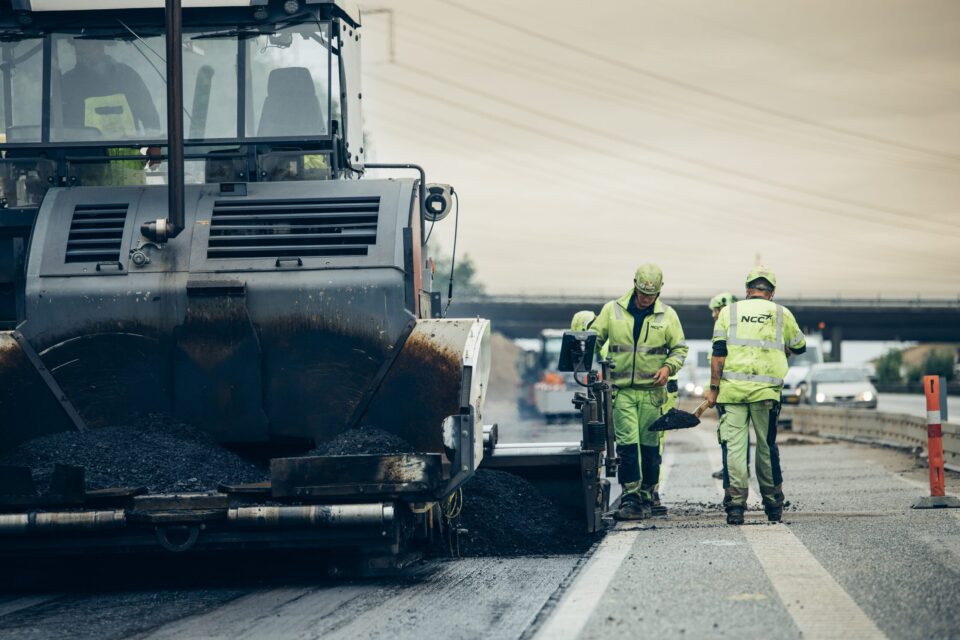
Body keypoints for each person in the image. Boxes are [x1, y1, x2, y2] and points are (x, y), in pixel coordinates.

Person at [704, 266, 806, 525]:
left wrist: (713, 389)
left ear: (747, 290)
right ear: (771, 293)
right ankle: (772, 505)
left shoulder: (728, 313)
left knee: (734, 449)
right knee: (765, 446)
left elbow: (718, 354)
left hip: (732, 393)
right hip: (766, 394)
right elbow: (800, 346)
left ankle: (736, 507)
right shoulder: (782, 313)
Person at [592, 264, 688, 520]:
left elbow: (679, 349)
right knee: (627, 446)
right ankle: (631, 498)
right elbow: (594, 340)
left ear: (659, 291)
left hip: (652, 394)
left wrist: (669, 367)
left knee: (649, 447)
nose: (646, 299)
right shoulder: (612, 311)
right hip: (622, 392)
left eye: (651, 295)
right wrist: (595, 367)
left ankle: (648, 494)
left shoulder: (668, 316)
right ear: (635, 285)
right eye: (643, 294)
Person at [60, 39, 161, 137]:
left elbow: (150, 118)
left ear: (100, 45)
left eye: (86, 44)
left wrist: (155, 148)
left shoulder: (127, 76)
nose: (80, 50)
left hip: (129, 152)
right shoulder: (67, 82)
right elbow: (56, 124)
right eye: (78, 46)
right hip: (83, 153)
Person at [707, 291, 737, 481]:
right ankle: (735, 468)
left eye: (715, 310)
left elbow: (719, 358)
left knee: (728, 433)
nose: (714, 314)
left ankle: (730, 470)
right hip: (732, 386)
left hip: (727, 389)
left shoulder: (724, 326)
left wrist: (714, 389)